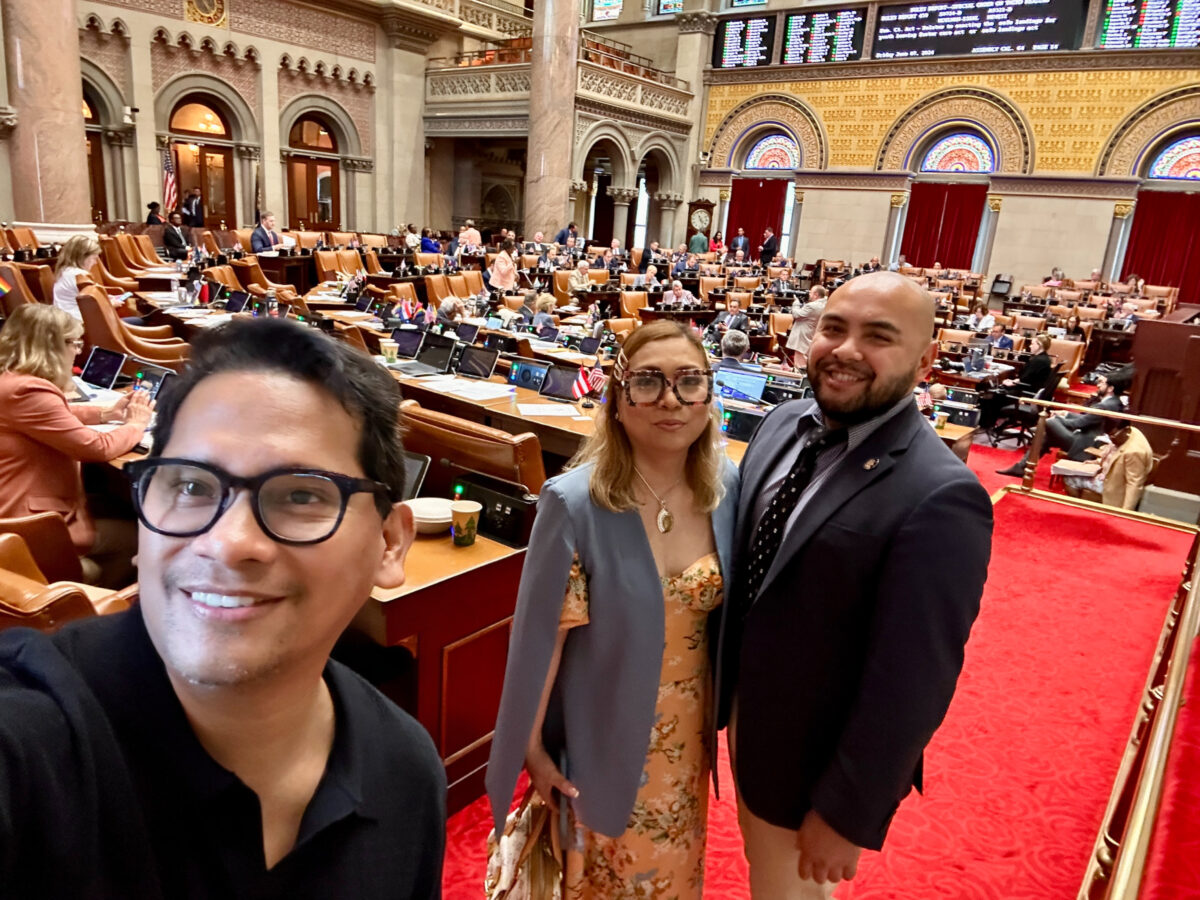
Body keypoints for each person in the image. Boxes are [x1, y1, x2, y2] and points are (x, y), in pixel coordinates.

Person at [0, 318, 445, 896]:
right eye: (190, 486)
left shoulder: (407, 771)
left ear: (388, 544)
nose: (229, 542)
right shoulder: (28, 747)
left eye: (301, 494)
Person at [725, 271, 992, 897]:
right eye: (834, 328)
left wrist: (849, 810)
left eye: (878, 336)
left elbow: (913, 679)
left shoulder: (941, 493)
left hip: (812, 764)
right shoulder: (783, 422)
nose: (846, 350)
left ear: (925, 360)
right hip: (747, 719)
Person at [488, 320, 739, 900]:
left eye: (689, 382)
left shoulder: (726, 488)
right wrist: (533, 751)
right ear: (618, 399)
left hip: (685, 746)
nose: (671, 400)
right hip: (599, 734)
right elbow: (540, 643)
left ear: (708, 396)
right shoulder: (575, 501)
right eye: (648, 382)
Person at [0, 304, 154, 586]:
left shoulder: (11, 381)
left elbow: (51, 415)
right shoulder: (28, 390)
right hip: (29, 521)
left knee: (114, 504)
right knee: (136, 538)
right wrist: (136, 424)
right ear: (51, 347)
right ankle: (88, 609)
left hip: (19, 503)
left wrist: (106, 414)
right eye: (74, 343)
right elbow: (96, 448)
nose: (78, 350)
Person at [996, 371, 1128, 475]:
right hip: (1085, 437)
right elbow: (1087, 420)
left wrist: (1059, 419)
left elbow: (1078, 424)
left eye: (1102, 383)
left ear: (1110, 388)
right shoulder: (1113, 402)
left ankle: (1023, 463)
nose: (1098, 385)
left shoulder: (1105, 406)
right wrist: (1066, 414)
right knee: (1045, 434)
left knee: (1049, 422)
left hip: (1085, 444)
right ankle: (1022, 467)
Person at [785, 284, 828, 368]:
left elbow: (797, 314)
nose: (809, 294)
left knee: (800, 363)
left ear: (816, 294)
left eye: (810, 293)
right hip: (812, 333)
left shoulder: (812, 306)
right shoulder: (826, 304)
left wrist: (796, 303)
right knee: (805, 360)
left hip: (803, 336)